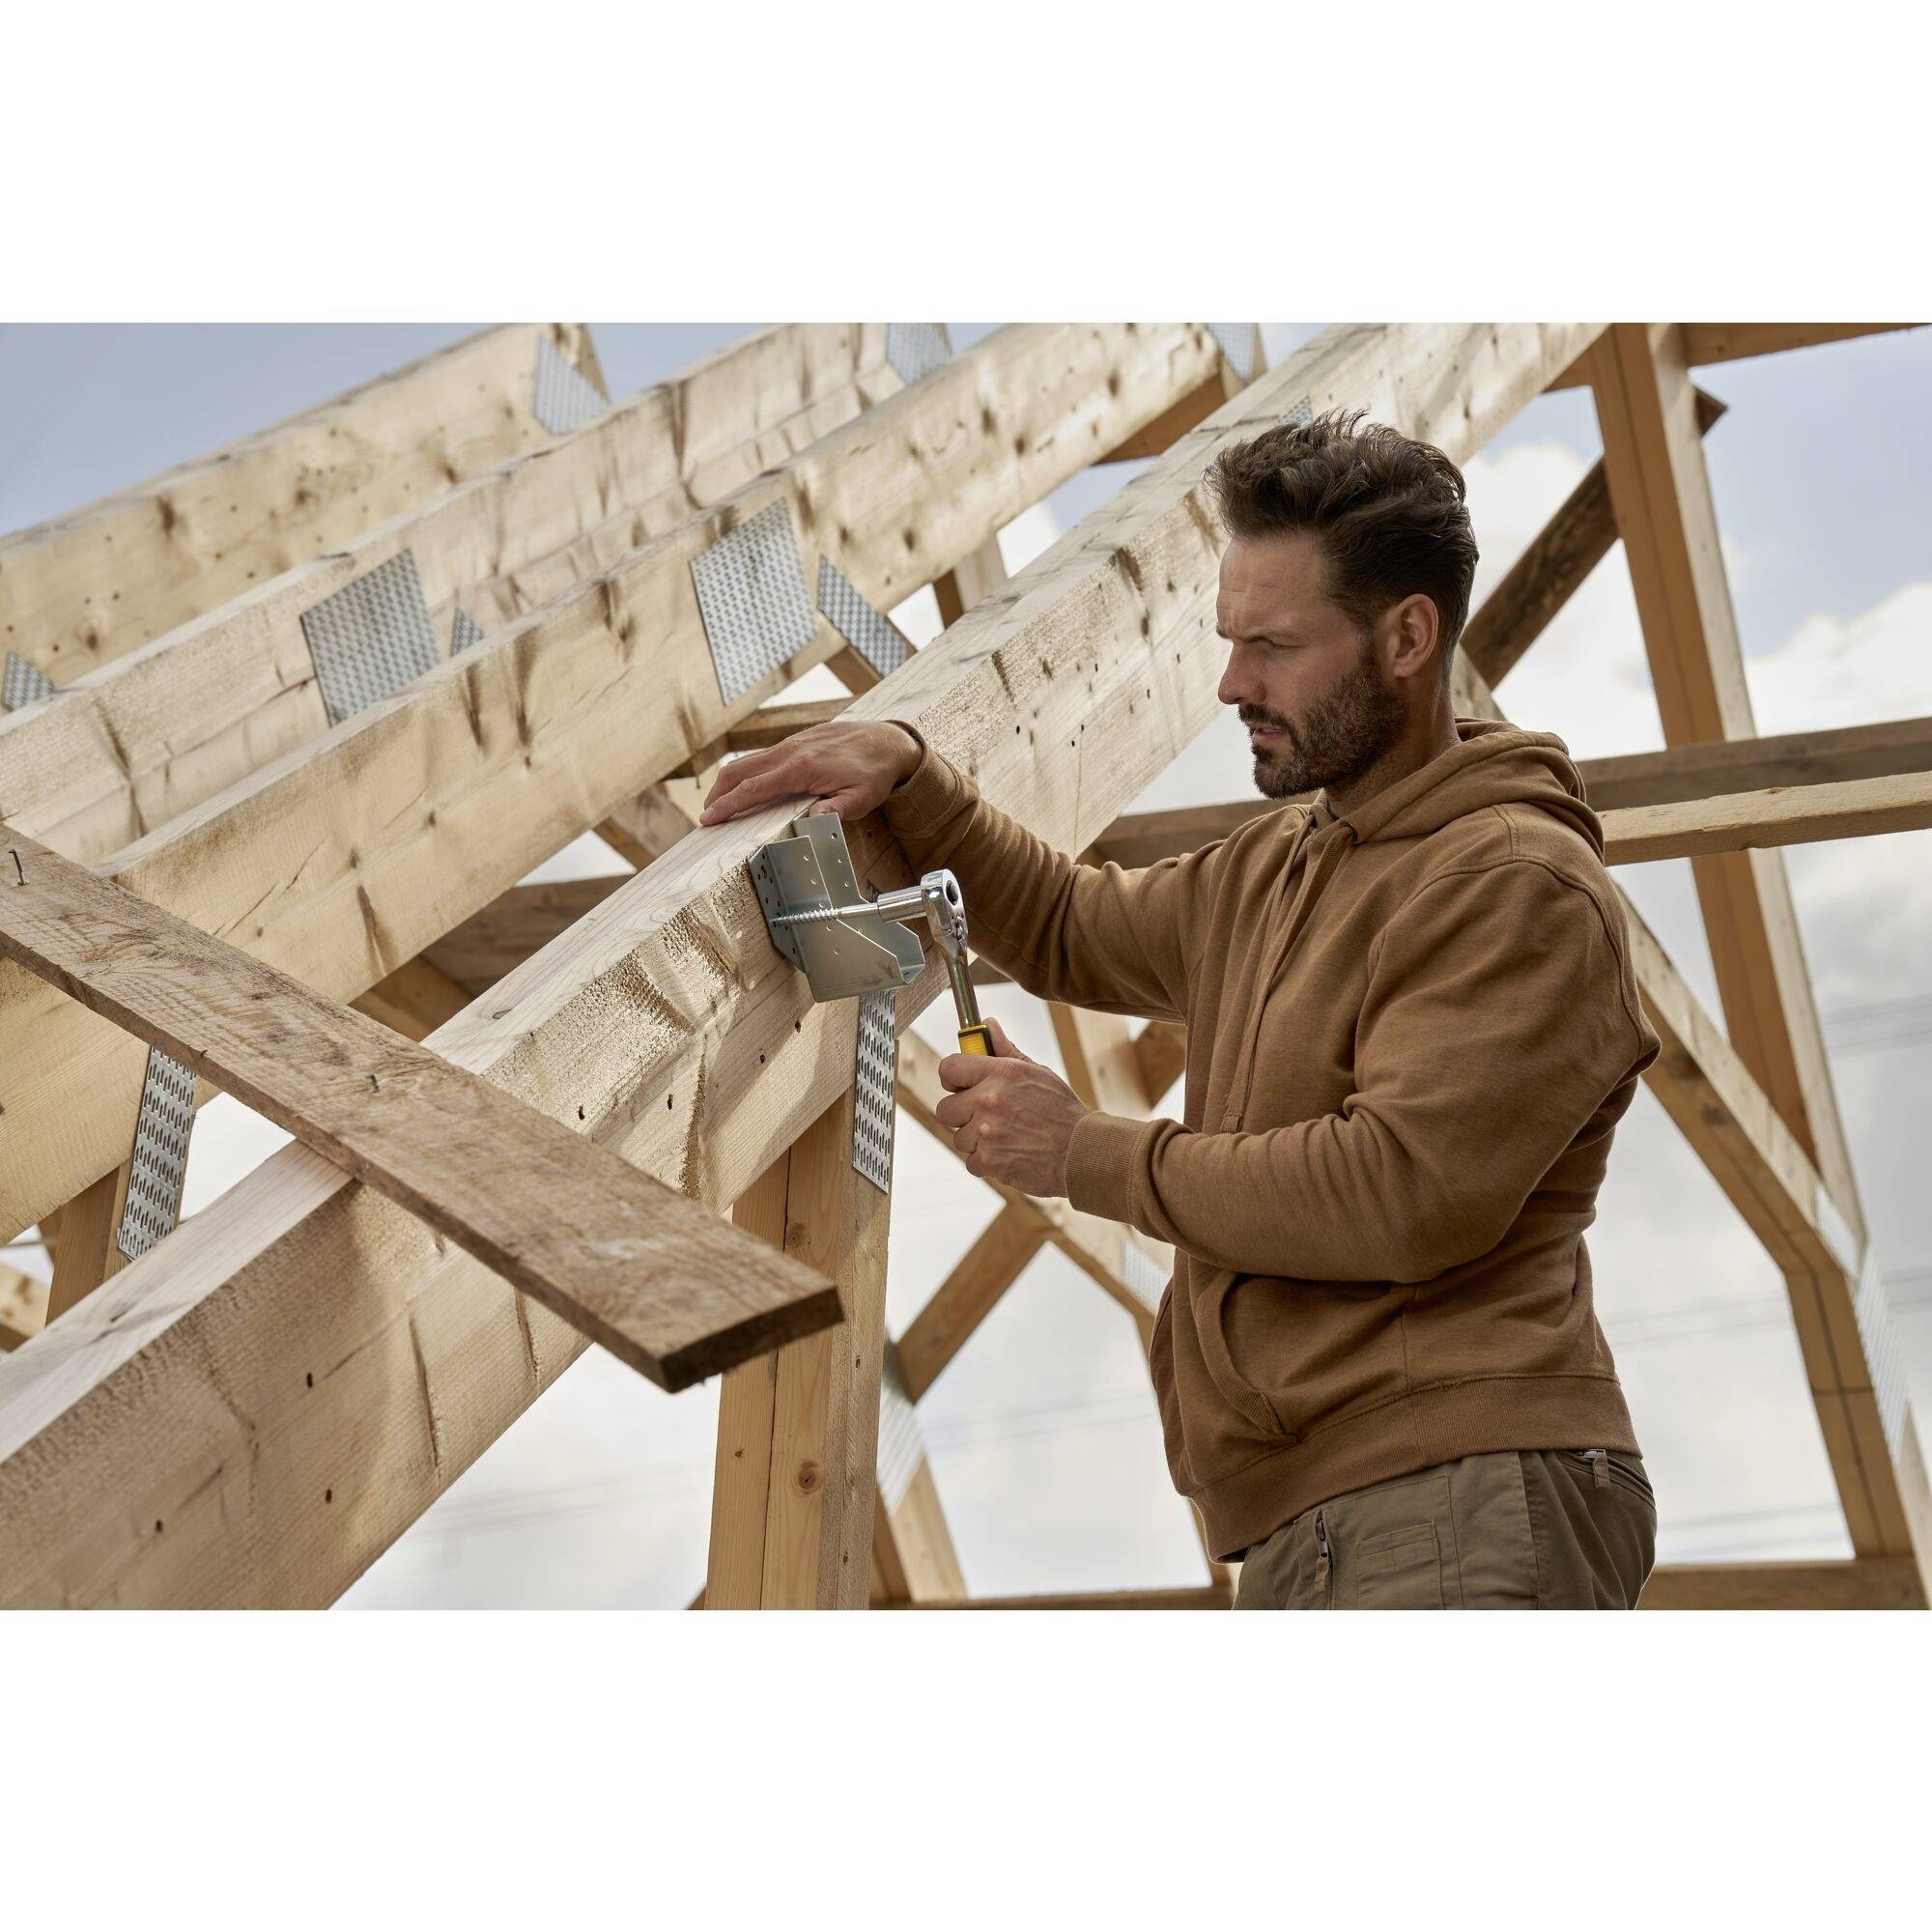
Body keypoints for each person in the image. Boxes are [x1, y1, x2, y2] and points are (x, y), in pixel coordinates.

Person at [701, 409, 1661, 1610]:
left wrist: (1081, 1151)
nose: (1230, 683)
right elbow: (1064, 922)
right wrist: (913, 773)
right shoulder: (1281, 865)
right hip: (1328, 1508)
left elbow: (1400, 1191)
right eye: (1226, 639)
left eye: (1271, 645)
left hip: (1451, 1484)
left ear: (1407, 635)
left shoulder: (1509, 882)